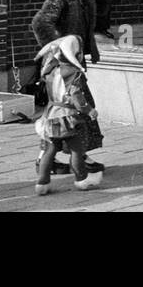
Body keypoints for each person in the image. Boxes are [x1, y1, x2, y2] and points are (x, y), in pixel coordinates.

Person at [31, 0, 107, 177]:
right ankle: (71, 158)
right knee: (74, 108)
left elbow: (101, 15)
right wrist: (59, 47)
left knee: (67, 111)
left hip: (73, 61)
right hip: (61, 66)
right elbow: (40, 22)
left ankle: (55, 158)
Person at [33, 35, 103, 195]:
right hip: (67, 116)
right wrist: (89, 110)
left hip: (50, 115)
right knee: (77, 150)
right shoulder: (73, 73)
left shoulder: (51, 71)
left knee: (49, 149)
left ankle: (42, 183)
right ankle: (82, 180)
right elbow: (77, 96)